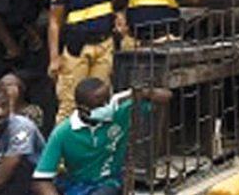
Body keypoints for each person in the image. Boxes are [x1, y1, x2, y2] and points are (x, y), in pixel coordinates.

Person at [32, 79, 171, 195]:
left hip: (109, 181)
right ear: (83, 109)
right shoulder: (63, 132)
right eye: (100, 105)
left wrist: (143, 93)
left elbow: (166, 97)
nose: (106, 107)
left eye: (108, 101)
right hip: (77, 185)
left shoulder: (120, 113)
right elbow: (41, 179)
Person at [48, 0, 117, 123]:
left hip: (103, 46)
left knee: (101, 102)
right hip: (77, 49)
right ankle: (62, 150)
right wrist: (54, 58)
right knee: (70, 103)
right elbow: (55, 22)